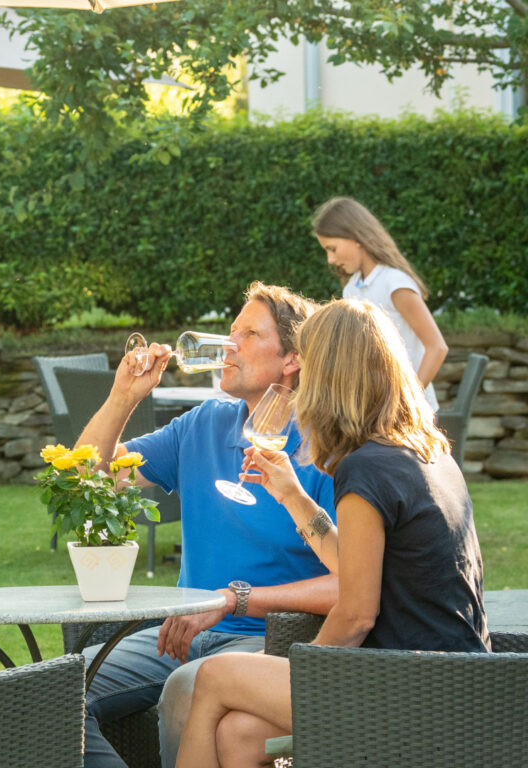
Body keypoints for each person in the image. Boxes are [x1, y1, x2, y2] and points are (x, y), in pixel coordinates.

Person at [176, 298, 489, 768]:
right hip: (460, 678)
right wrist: (294, 497)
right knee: (240, 734)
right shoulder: (424, 452)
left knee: (214, 677)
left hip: (413, 687)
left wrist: (308, 674)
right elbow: (353, 565)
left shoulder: (365, 469)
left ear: (330, 374)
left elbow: (358, 613)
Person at [75, 282, 338, 768]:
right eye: (230, 330)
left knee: (188, 691)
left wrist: (231, 599)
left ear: (292, 361)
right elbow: (89, 480)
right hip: (178, 635)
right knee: (57, 692)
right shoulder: (202, 424)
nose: (229, 345)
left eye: (250, 334)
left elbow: (350, 583)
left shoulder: (323, 449)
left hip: (268, 641)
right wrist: (123, 397)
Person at [313, 196, 448, 411]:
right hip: (373, 413)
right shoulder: (352, 288)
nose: (330, 259)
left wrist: (406, 404)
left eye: (333, 248)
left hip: (411, 417)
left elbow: (437, 347)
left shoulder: (395, 284)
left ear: (355, 237)